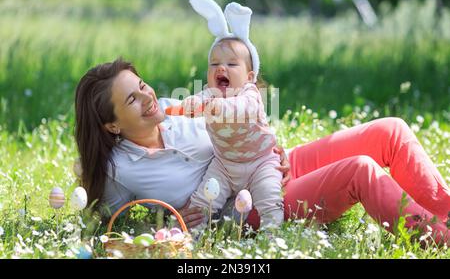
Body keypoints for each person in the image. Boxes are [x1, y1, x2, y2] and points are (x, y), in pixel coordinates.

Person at [74, 57, 450, 246]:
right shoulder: (119, 169)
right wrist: (170, 227)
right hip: (248, 207)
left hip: (269, 166)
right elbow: (109, 223)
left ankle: (445, 212)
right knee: (359, 171)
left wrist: (274, 149)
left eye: (142, 85)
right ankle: (439, 237)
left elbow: (246, 118)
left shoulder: (179, 107)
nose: (147, 96)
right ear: (112, 125)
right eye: (132, 98)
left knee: (389, 131)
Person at [178, 0, 284, 230]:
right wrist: (192, 103)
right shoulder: (209, 94)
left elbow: (240, 108)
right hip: (225, 165)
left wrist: (218, 106)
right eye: (214, 64)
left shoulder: (250, 95)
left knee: (270, 199)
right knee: (203, 200)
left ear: (249, 76)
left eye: (231, 64)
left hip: (260, 162)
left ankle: (272, 241)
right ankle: (187, 238)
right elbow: (200, 99)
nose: (221, 68)